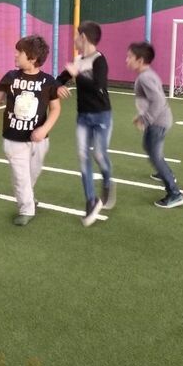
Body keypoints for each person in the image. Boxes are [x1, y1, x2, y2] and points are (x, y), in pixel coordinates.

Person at [0, 35, 60, 226]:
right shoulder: (10, 77)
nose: (15, 55)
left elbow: (55, 109)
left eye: (20, 52)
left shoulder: (48, 81)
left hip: (39, 140)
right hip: (13, 139)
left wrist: (44, 129)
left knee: (32, 173)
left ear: (32, 58)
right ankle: (26, 209)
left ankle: (28, 196)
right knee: (20, 176)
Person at [56, 21, 115, 228]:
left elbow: (99, 86)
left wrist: (77, 74)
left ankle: (107, 182)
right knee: (83, 156)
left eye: (76, 35)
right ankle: (91, 200)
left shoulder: (99, 60)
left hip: (102, 115)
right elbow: (59, 79)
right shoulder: (77, 61)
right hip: (83, 117)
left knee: (99, 154)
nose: (74, 40)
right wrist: (57, 87)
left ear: (83, 37)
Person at [126, 41, 183, 209]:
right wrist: (141, 116)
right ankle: (165, 172)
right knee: (149, 147)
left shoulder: (145, 77)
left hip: (158, 122)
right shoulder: (147, 74)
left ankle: (174, 194)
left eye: (129, 57)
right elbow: (150, 101)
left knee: (154, 155)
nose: (126, 60)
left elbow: (158, 100)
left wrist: (145, 119)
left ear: (140, 60)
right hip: (158, 120)